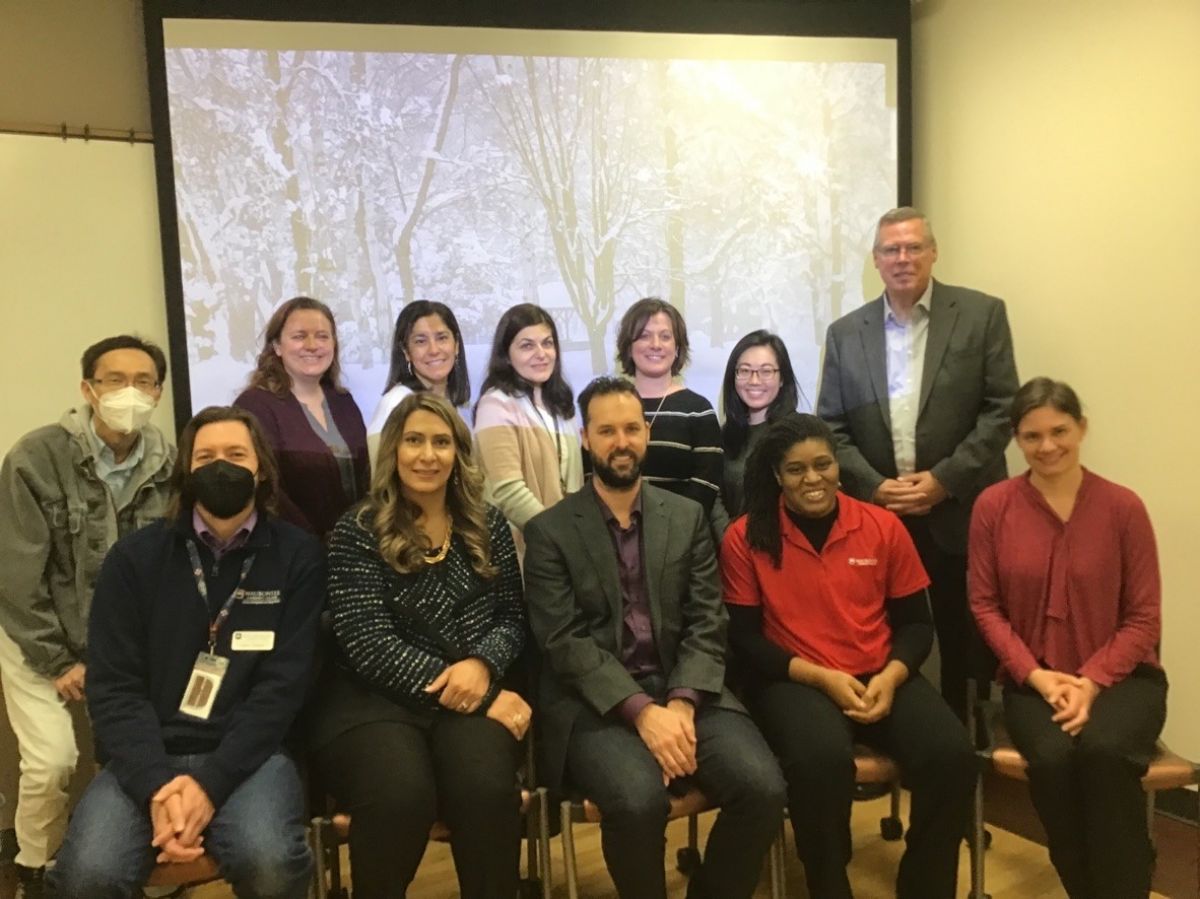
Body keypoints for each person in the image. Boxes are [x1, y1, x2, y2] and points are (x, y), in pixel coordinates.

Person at [523, 376, 786, 899]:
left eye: (630, 428)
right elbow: (565, 642)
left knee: (764, 788)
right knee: (638, 802)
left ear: (645, 433)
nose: (620, 442)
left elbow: (708, 619)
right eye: (606, 431)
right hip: (595, 704)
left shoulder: (686, 517)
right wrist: (643, 711)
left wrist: (683, 704)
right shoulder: (550, 530)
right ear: (585, 437)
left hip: (687, 690)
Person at [48, 406, 324, 899]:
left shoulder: (298, 556)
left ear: (261, 467)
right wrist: (159, 787)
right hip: (144, 760)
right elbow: (115, 689)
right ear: (186, 471)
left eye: (237, 454)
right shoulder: (133, 560)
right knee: (87, 875)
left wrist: (209, 784)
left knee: (272, 863)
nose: (222, 466)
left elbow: (282, 690)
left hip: (252, 757)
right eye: (206, 456)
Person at [721, 413, 974, 899]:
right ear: (776, 475)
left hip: (881, 673)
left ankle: (924, 885)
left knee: (953, 756)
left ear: (839, 466)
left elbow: (918, 626)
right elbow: (747, 642)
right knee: (820, 762)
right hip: (795, 680)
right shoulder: (745, 536)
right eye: (795, 469)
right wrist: (821, 679)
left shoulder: (882, 527)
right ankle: (828, 880)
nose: (812, 478)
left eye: (823, 465)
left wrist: (893, 676)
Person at [308, 392, 529, 899]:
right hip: (373, 701)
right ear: (393, 451)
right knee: (398, 796)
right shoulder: (357, 530)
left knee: (487, 790)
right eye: (413, 441)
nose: (427, 455)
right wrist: (486, 695)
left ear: (458, 454)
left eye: (441, 442)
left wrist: (481, 664)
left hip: (469, 692)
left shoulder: (487, 522)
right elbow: (369, 646)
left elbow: (512, 619)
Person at [816, 206, 1019, 720]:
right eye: (891, 249)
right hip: (879, 518)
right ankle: (888, 740)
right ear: (876, 260)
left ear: (933, 252)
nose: (902, 258)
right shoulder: (846, 333)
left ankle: (963, 755)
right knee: (878, 637)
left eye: (913, 247)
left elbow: (1002, 410)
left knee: (963, 637)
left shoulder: (981, 315)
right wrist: (877, 487)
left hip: (959, 511)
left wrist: (943, 481)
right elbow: (831, 427)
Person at [969, 378, 1165, 899]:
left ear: (1082, 428)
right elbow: (984, 607)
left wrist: (1092, 683)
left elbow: (1144, 617)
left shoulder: (1124, 508)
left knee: (1102, 753)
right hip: (1034, 679)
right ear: (1015, 439)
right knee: (1053, 762)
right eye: (1032, 436)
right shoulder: (993, 507)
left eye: (1060, 431)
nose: (1048, 446)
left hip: (1124, 679)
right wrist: (1035, 675)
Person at [0, 335, 175, 898]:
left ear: (159, 391)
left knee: (129, 753)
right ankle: (34, 868)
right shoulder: (36, 457)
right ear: (87, 389)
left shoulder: (167, 463)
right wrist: (57, 660)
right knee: (54, 763)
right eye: (113, 380)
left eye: (143, 381)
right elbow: (17, 576)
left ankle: (123, 866)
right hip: (33, 632)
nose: (129, 392)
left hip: (119, 645)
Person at [235, 296, 369, 541]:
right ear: (277, 346)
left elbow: (366, 478)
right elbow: (269, 492)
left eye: (322, 336)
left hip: (353, 548)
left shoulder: (344, 402)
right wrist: (311, 546)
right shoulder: (255, 406)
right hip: (291, 552)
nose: (312, 345)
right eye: (299, 336)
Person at [473, 303, 583, 553]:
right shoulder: (495, 404)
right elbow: (508, 492)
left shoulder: (563, 407)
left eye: (547, 343)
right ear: (506, 355)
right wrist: (555, 539)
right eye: (527, 346)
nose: (541, 353)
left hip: (566, 546)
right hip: (520, 550)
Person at [615, 297, 724, 523]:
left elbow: (706, 486)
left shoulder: (698, 411)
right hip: (615, 538)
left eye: (665, 336)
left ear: (677, 347)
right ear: (629, 345)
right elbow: (592, 477)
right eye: (644, 335)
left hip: (680, 538)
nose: (656, 344)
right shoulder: (609, 406)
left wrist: (669, 533)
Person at [367, 299, 471, 469]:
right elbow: (381, 481)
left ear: (457, 345)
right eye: (420, 341)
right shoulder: (395, 404)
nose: (434, 350)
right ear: (406, 352)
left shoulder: (462, 407)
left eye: (442, 338)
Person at [719, 329, 803, 519]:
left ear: (782, 378)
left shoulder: (799, 433)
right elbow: (716, 496)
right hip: (732, 543)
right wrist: (731, 539)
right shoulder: (725, 434)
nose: (754, 381)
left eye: (766, 371)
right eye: (745, 371)